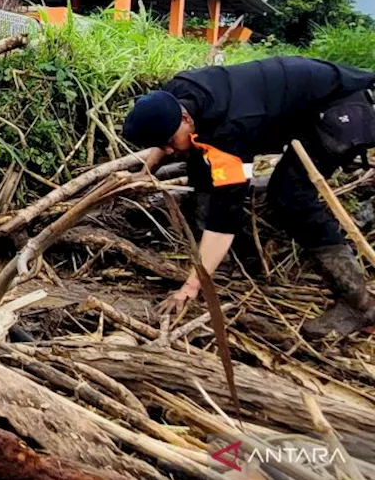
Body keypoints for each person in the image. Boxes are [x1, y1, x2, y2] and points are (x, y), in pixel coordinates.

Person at [123, 56, 375, 337]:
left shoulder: (232, 128)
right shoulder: (178, 93)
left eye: (168, 144)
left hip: (343, 110)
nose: (168, 151)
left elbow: (225, 216)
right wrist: (145, 172)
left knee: (291, 195)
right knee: (198, 163)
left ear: (185, 118)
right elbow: (175, 139)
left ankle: (358, 303)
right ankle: (228, 260)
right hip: (297, 99)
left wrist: (191, 288)